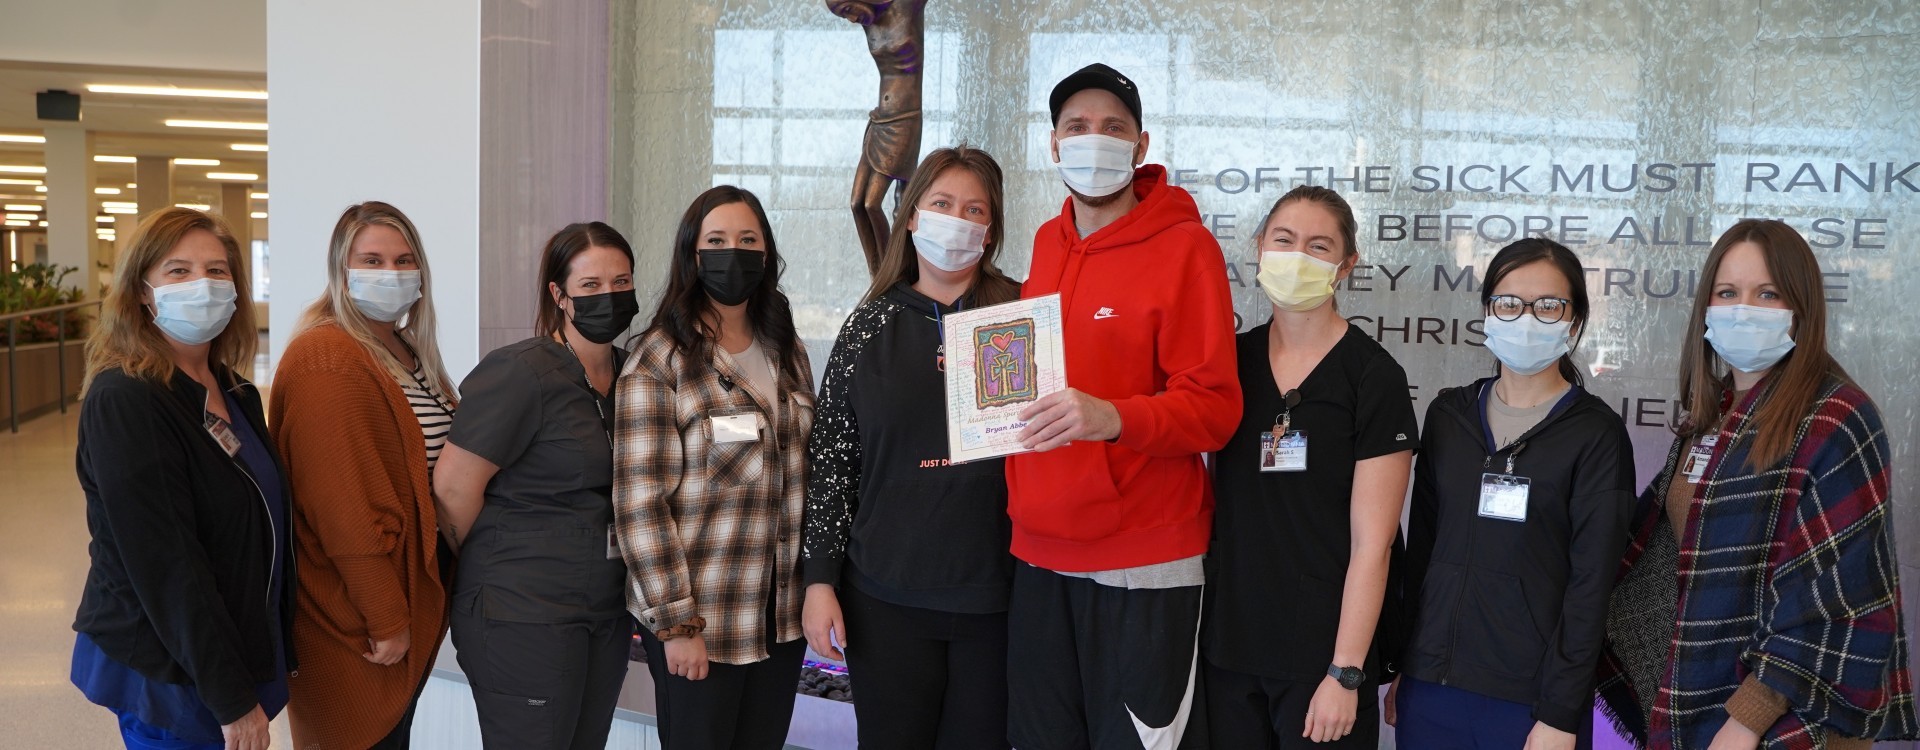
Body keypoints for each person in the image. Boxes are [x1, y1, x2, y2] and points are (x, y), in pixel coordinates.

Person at [1598, 219, 1917, 748]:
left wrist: (1746, 719)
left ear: (1801, 308)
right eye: (1728, 293)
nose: (1743, 308)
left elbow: (1837, 595)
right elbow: (1662, 551)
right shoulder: (1713, 415)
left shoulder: (1837, 418)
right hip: (1701, 704)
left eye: (1766, 293)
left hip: (1782, 725)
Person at [1005, 63, 1241, 750]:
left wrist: (1113, 416)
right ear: (1053, 144)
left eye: (1113, 128)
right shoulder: (1048, 243)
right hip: (1039, 556)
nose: (1093, 140)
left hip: (1142, 562)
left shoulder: (1185, 248)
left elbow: (1215, 409)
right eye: (1077, 127)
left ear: (1141, 147)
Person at [801, 146, 1022, 749]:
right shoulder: (868, 325)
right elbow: (832, 462)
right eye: (943, 204)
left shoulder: (1020, 318)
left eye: (975, 209)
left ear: (991, 229)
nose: (959, 219)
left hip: (999, 596)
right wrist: (819, 580)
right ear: (913, 216)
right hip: (885, 597)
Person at [1390, 237, 1635, 749]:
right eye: (1509, 303)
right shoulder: (1448, 415)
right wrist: (1401, 667)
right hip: (1431, 687)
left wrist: (1561, 714)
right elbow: (1423, 555)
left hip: (1529, 702)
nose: (1527, 318)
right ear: (1487, 313)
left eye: (1548, 305)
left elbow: (1591, 589)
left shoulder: (1596, 434)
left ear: (1574, 320)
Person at [70, 207, 289, 750]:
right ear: (142, 292)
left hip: (228, 651)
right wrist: (232, 698)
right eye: (179, 271)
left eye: (217, 271)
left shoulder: (235, 392)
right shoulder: (127, 399)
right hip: (175, 670)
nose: (203, 285)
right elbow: (166, 566)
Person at [1205, 186, 1417, 747]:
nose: (1298, 255)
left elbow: (1374, 545)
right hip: (1228, 652)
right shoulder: (1229, 362)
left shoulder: (1373, 378)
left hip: (1321, 660)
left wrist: (1345, 674)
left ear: (1345, 266)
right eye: (1284, 240)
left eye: (1318, 246)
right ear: (1259, 248)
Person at [616, 186, 815, 750]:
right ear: (692, 255)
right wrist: (676, 626)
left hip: (780, 619)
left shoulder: (787, 348)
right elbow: (639, 504)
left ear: (767, 253)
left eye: (748, 240)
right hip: (703, 621)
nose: (735, 252)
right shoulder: (660, 359)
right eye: (718, 241)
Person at [433, 222, 639, 750]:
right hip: (522, 613)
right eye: (590, 285)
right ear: (559, 295)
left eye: (621, 282)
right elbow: (454, 490)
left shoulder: (633, 375)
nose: (608, 296)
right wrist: (508, 562)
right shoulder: (521, 373)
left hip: (605, 610)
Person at [271, 202, 458, 749]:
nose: (391, 273)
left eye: (404, 261)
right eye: (371, 260)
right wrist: (385, 616)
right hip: (354, 619)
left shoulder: (401, 347)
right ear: (341, 270)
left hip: (405, 597)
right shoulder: (326, 358)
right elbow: (342, 510)